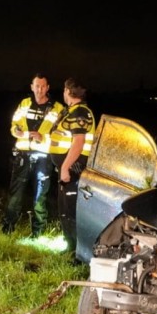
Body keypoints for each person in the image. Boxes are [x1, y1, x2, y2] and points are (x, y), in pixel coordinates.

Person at [1, 73, 64, 237]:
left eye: (43, 86)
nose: (39, 89)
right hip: (22, 154)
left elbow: (63, 135)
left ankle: (38, 232)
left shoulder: (57, 108)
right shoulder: (24, 103)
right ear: (31, 87)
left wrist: (44, 137)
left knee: (40, 196)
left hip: (44, 156)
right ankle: (7, 228)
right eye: (37, 86)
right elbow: (14, 124)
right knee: (15, 194)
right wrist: (16, 130)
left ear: (48, 88)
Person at [49, 77, 95, 254]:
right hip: (67, 169)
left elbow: (79, 142)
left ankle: (77, 252)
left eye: (64, 90)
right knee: (64, 209)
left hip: (73, 169)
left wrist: (65, 167)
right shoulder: (72, 111)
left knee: (71, 211)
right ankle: (70, 247)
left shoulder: (80, 112)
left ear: (68, 91)